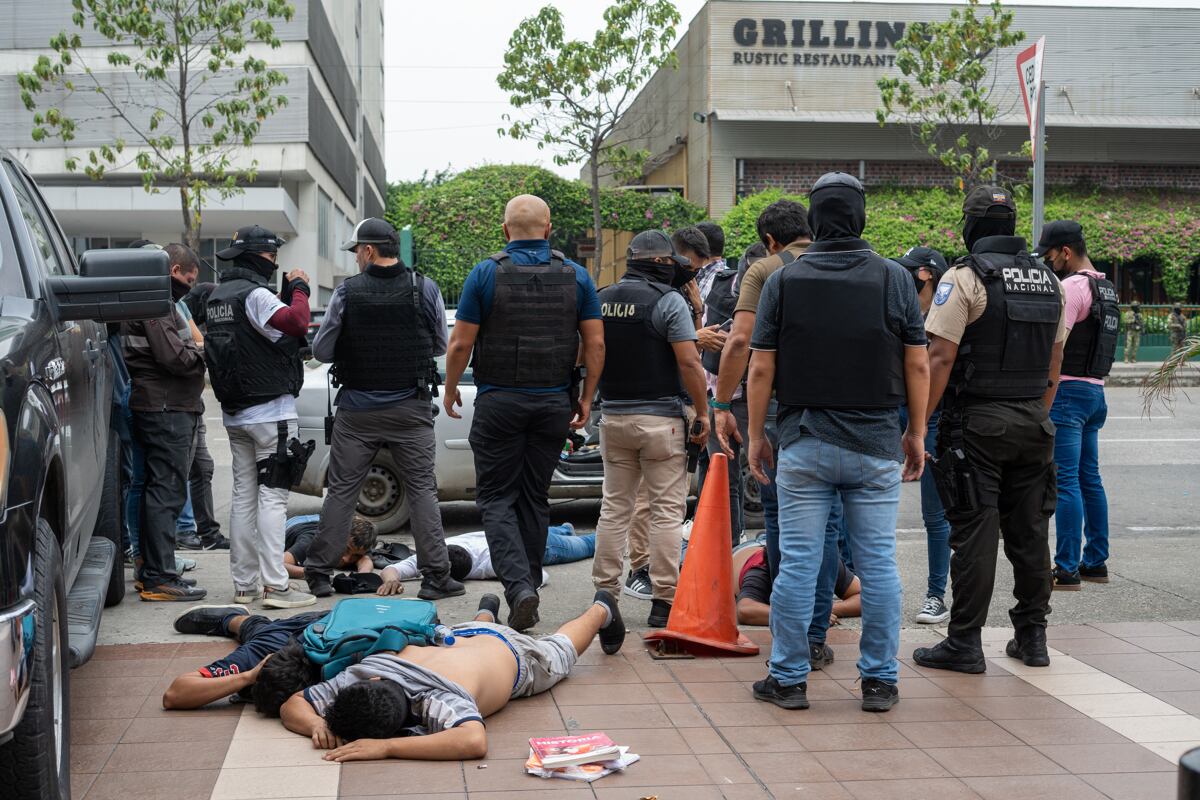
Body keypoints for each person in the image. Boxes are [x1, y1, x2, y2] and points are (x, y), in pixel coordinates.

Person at [746, 173, 929, 714]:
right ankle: (879, 681)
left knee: (799, 563)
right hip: (875, 441)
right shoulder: (894, 278)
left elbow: (761, 368)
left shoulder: (784, 279)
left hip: (802, 439)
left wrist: (758, 435)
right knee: (877, 564)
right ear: (861, 217)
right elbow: (916, 360)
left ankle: (788, 678)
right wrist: (916, 431)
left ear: (815, 219)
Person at [912, 186, 1067, 675]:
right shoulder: (1048, 280)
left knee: (974, 534)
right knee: (1030, 532)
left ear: (971, 226)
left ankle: (964, 643)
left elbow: (940, 356)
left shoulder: (965, 277)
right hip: (1034, 421)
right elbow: (1055, 362)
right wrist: (1036, 411)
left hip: (976, 425)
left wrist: (918, 426)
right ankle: (1032, 638)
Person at [443, 195, 604, 630]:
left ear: (505, 229)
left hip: (499, 402)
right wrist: (587, 398)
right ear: (549, 229)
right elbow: (595, 345)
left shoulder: (486, 273)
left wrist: (453, 387)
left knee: (496, 498)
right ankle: (528, 582)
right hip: (554, 402)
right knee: (534, 496)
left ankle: (520, 589)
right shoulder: (578, 277)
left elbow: (460, 343)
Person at [306, 217, 463, 601]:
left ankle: (319, 574)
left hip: (357, 410)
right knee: (423, 489)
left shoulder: (347, 293)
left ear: (369, 251)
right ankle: (436, 578)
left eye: (358, 251)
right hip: (410, 407)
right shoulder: (423, 288)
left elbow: (321, 351)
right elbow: (441, 344)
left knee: (342, 490)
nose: (357, 259)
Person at [712, 203, 840, 669]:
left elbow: (742, 343)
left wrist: (723, 405)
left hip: (784, 416)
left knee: (783, 525)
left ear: (769, 239)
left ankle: (792, 636)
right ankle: (816, 633)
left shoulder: (766, 269)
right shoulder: (850, 263)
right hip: (847, 416)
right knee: (829, 531)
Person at [278, 593, 626, 762]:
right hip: (462, 635)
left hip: (518, 655)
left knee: (559, 651)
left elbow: (474, 742)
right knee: (474, 637)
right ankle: (486, 612)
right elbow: (294, 703)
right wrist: (314, 724)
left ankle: (601, 609)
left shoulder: (436, 699)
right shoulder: (365, 670)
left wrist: (386, 747)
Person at [591, 230, 710, 629]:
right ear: (662, 263)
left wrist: (587, 400)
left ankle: (605, 595)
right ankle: (663, 600)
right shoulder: (668, 301)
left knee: (614, 509)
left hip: (614, 419)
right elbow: (691, 364)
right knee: (665, 513)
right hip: (661, 422)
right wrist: (705, 413)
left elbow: (588, 354)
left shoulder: (601, 298)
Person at [206, 225, 316, 608]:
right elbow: (297, 323)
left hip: (236, 415)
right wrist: (299, 288)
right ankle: (277, 586)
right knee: (273, 498)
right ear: (257, 257)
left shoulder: (219, 296)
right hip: (271, 413)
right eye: (271, 257)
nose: (274, 264)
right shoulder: (255, 294)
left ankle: (245, 585)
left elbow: (260, 337)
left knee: (243, 498)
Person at [121, 243, 210, 601]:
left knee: (156, 490)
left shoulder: (149, 299)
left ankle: (153, 571)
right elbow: (173, 356)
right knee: (166, 492)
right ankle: (159, 577)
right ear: (173, 270)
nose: (190, 284)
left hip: (161, 406)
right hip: (166, 408)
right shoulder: (154, 302)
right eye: (189, 277)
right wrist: (205, 353)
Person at [1037, 221, 1119, 590]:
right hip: (1095, 393)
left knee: (1066, 480)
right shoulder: (1106, 287)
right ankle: (1095, 561)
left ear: (1066, 252)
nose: (1049, 263)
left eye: (1051, 255)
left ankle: (1066, 568)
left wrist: (1045, 396)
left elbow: (1058, 346)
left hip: (1068, 393)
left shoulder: (1070, 287)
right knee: (1090, 478)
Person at [891, 246, 953, 625]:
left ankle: (936, 595)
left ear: (927, 275)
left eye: (909, 272)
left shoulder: (948, 316)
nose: (904, 278)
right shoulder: (900, 312)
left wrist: (922, 424)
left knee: (935, 514)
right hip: (893, 412)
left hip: (932, 420)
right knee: (866, 502)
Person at [161, 605, 325, 711]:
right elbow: (174, 695)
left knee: (262, 629)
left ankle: (233, 620)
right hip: (298, 628)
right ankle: (228, 619)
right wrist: (246, 677)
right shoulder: (258, 654)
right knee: (258, 628)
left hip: (334, 624)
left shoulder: (338, 670)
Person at [378, 524, 596, 594]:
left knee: (587, 546)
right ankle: (565, 529)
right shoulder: (436, 554)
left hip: (542, 547)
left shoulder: (489, 564)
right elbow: (391, 570)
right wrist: (390, 579)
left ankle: (612, 534)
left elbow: (540, 575)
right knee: (552, 530)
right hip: (517, 531)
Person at [176, 280, 229, 552]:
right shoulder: (168, 307)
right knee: (180, 470)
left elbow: (199, 342)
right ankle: (184, 531)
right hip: (174, 403)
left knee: (202, 467)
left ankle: (207, 533)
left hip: (193, 401)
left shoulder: (182, 307)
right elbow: (195, 346)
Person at [733, 544, 861, 627]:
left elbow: (865, 597)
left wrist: (824, 610)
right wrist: (803, 617)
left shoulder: (824, 560)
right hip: (744, 550)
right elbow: (745, 611)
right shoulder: (761, 569)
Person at [284, 515, 378, 579]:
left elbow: (366, 560)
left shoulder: (359, 544)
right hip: (295, 523)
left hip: (322, 519)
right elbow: (279, 565)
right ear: (337, 538)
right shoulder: (310, 542)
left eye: (356, 556)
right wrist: (310, 573)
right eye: (346, 549)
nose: (346, 559)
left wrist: (361, 576)